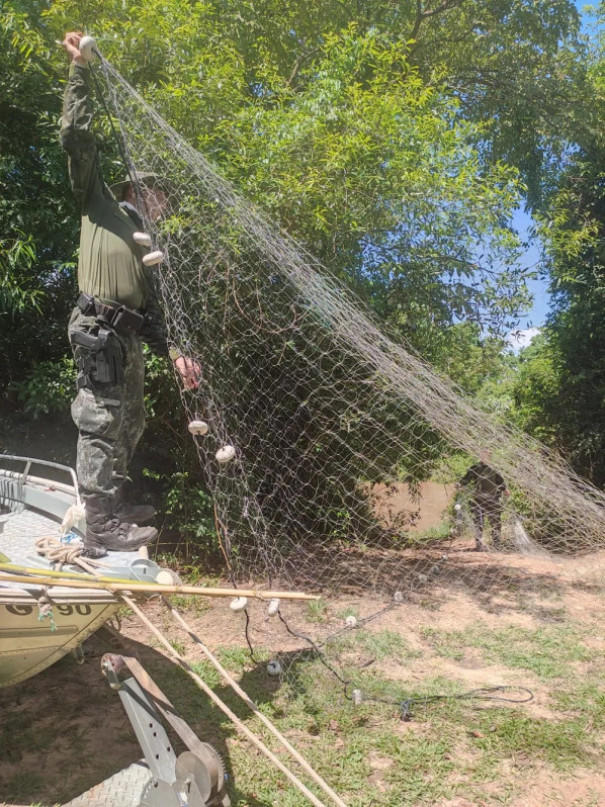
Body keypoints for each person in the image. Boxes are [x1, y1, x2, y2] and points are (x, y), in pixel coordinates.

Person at [60, 31, 201, 558]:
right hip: (97, 327)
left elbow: (156, 315)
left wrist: (177, 352)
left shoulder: (149, 248)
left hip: (130, 337)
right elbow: (76, 136)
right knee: (99, 419)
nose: (160, 201)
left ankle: (113, 507)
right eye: (152, 190)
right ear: (129, 191)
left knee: (130, 420)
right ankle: (96, 525)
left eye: (162, 196)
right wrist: (81, 71)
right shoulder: (100, 204)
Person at [457, 460, 507, 551]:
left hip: (493, 499)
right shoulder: (476, 467)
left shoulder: (494, 467)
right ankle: (478, 544)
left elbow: (500, 481)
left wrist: (505, 490)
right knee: (478, 522)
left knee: (495, 521)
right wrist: (460, 484)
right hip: (478, 500)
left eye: (487, 453)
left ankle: (497, 544)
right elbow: (467, 478)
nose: (485, 455)